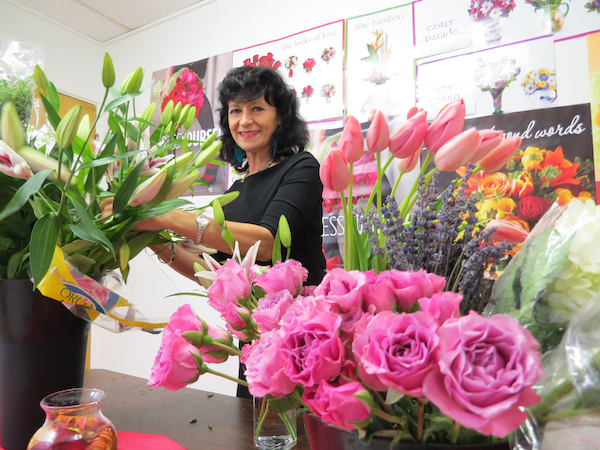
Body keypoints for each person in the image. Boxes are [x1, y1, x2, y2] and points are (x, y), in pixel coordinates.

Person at [104, 65, 326, 396]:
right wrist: (148, 235)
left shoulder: (302, 167)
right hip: (253, 340)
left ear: (280, 118)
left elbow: (267, 244)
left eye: (257, 109)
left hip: (302, 333)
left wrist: (168, 217)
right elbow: (209, 274)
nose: (245, 120)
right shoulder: (232, 194)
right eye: (236, 110)